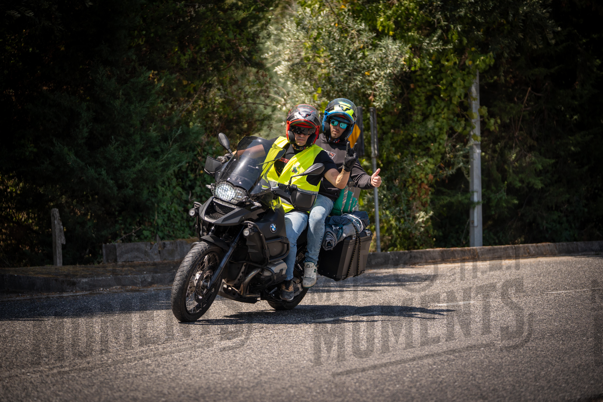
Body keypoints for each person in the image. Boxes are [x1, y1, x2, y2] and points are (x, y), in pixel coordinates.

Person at [264, 104, 350, 301]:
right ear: (290, 128)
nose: (301, 135)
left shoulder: (318, 155)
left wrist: (347, 168)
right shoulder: (277, 144)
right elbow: (247, 154)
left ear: (314, 133)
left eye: (307, 131)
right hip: (267, 201)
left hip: (295, 209)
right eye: (297, 129)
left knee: (288, 237)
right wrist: (231, 157)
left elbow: (338, 182)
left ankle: (287, 281)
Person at [302, 98, 382, 288]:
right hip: (301, 190)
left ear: (349, 127)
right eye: (334, 121)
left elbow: (359, 176)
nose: (337, 127)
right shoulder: (312, 139)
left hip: (325, 196)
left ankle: (310, 264)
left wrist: (371, 181)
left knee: (317, 217)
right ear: (327, 121)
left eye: (343, 123)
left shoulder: (347, 151)